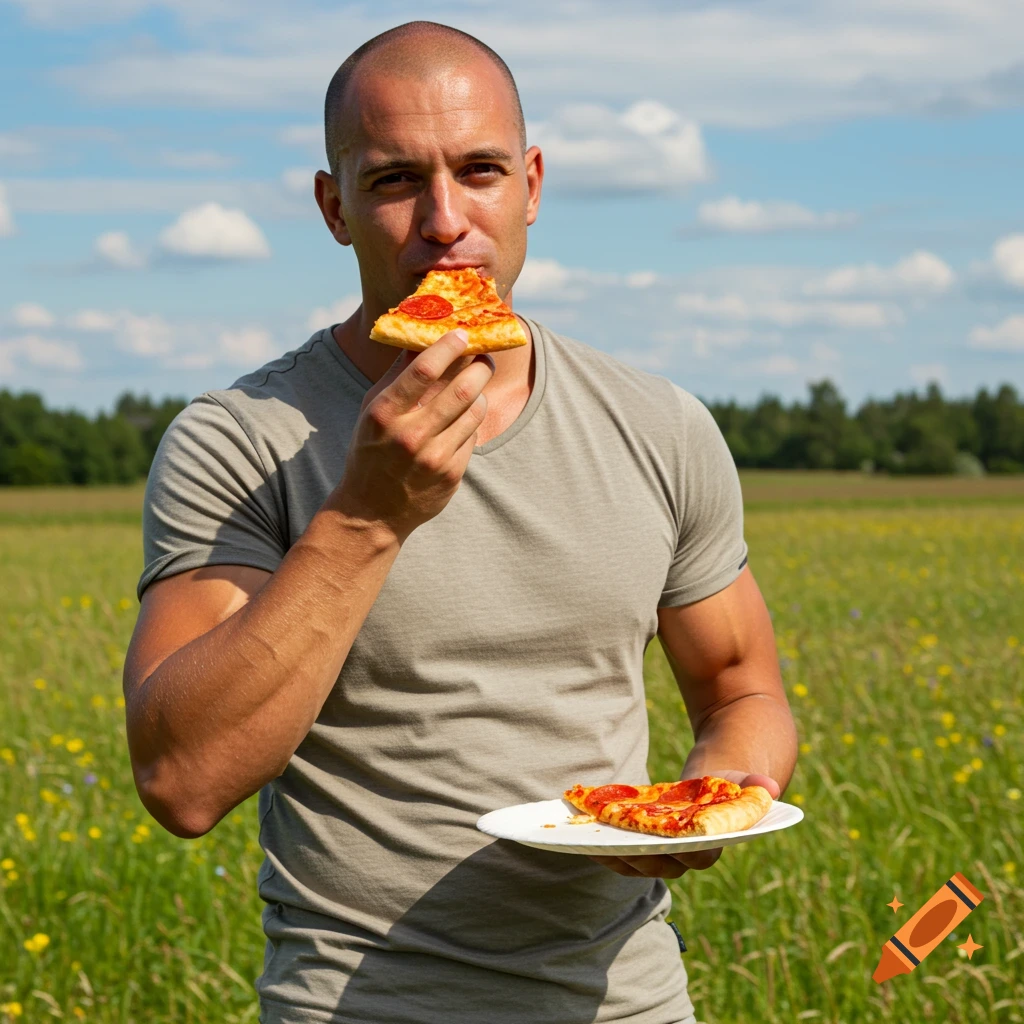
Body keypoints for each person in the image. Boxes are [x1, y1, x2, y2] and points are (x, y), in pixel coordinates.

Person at [123, 19, 797, 1024]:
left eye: (479, 172)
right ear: (332, 207)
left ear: (530, 184)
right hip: (360, 1002)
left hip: (628, 999)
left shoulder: (657, 423)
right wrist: (365, 518)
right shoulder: (238, 440)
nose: (445, 222)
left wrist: (704, 802)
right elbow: (182, 778)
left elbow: (741, 687)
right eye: (394, 181)